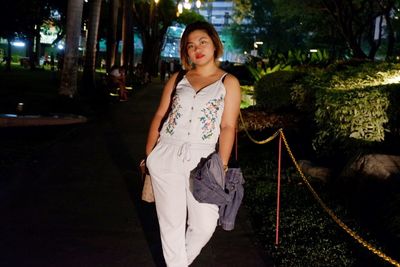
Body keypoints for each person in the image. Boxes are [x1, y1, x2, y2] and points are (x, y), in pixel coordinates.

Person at [144, 21, 241, 266]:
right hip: (166, 153)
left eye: (202, 42)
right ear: (185, 52)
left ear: (214, 44)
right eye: (190, 45)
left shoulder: (228, 82)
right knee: (171, 225)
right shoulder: (179, 78)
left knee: (205, 224)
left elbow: (228, 126)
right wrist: (150, 156)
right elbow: (159, 115)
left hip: (203, 160)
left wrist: (223, 164)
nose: (196, 49)